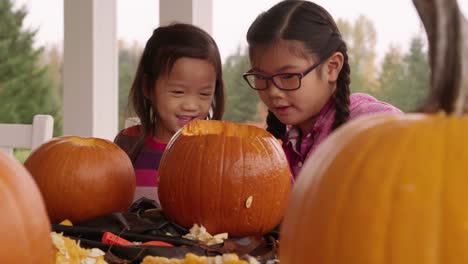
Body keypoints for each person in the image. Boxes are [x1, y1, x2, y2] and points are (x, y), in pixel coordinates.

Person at [242, 0, 401, 180]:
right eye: (261, 77)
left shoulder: (373, 124)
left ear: (332, 67)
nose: (272, 92)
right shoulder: (284, 145)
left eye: (287, 76)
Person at [115, 23, 225, 203]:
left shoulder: (218, 151)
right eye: (178, 92)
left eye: (204, 94)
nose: (191, 105)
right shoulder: (128, 143)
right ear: (148, 87)